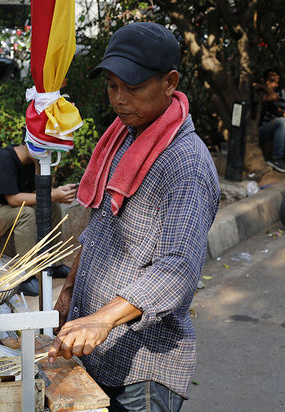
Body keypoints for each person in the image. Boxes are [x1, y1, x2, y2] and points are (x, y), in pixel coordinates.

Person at [47, 22, 220, 411]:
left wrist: (104, 318)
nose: (120, 99)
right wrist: (71, 292)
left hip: (145, 367)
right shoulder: (124, 137)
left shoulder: (185, 164)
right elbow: (101, 228)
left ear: (169, 82)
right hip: (98, 351)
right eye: (112, 86)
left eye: (133, 87)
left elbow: (178, 268)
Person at [0, 142, 77, 295]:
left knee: (52, 206)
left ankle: (52, 263)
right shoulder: (5, 159)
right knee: (25, 214)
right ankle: (26, 275)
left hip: (4, 213)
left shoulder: (32, 162)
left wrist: (58, 193)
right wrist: (52, 194)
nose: (47, 154)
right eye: (44, 149)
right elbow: (14, 199)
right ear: (30, 143)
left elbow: (35, 194)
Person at [256, 68, 285, 173]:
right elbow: (278, 110)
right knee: (284, 122)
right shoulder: (279, 96)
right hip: (259, 131)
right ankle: (277, 158)